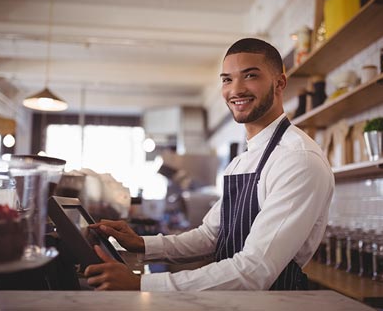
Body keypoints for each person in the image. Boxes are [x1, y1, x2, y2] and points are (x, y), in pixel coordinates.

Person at [84, 38, 335, 291]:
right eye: (227, 79)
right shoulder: (242, 160)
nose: (235, 89)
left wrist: (142, 284)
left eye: (250, 76)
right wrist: (141, 244)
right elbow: (210, 236)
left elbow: (255, 270)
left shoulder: (298, 159)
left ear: (279, 83)